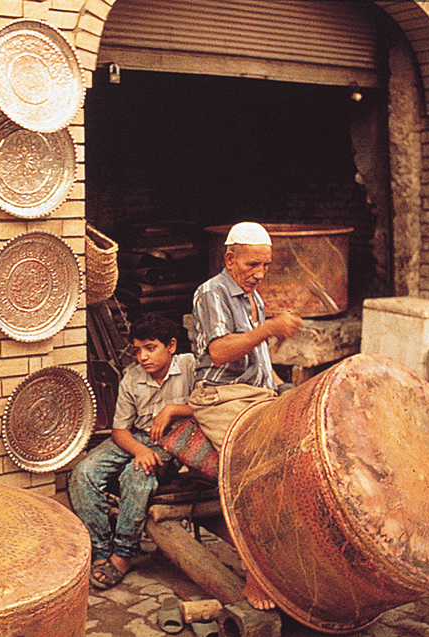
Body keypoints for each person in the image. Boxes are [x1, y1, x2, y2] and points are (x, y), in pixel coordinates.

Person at [190, 221, 303, 609]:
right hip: (221, 397)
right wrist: (270, 328)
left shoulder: (253, 298)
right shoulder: (211, 293)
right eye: (253, 264)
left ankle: (296, 559)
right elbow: (220, 352)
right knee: (257, 468)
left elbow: (259, 357)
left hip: (256, 393)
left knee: (304, 452)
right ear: (229, 258)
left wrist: (282, 387)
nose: (260, 273)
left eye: (266, 266)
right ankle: (256, 576)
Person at [69, 313, 195, 590]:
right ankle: (102, 550)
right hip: (135, 437)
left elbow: (207, 405)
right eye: (138, 350)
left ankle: (124, 553)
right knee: (83, 473)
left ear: (171, 346)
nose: (143, 357)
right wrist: (139, 449)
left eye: (151, 348)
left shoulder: (189, 367)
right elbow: (120, 431)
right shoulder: (131, 378)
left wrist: (173, 409)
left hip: (172, 441)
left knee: (136, 476)